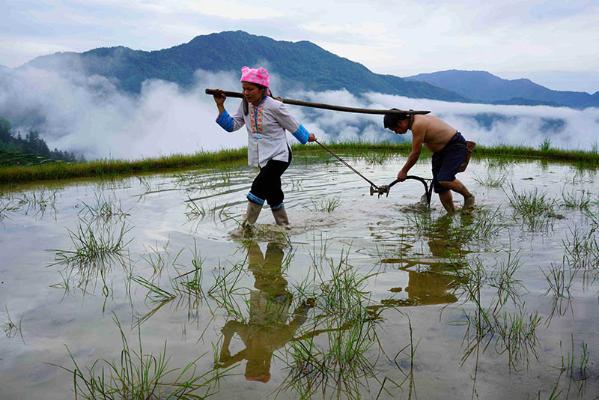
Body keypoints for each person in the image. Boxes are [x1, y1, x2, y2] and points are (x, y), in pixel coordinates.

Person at [212, 66, 316, 232]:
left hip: (279, 156)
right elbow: (232, 125)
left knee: (258, 186)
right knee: (273, 192)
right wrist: (220, 106)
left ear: (262, 89)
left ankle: (245, 229)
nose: (246, 93)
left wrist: (307, 136)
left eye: (250, 89)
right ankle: (284, 227)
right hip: (261, 157)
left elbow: (293, 125)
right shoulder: (245, 105)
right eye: (244, 89)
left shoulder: (275, 106)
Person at [383, 111, 475, 213]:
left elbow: (415, 153)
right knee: (440, 187)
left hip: (454, 147)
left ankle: (468, 197)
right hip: (440, 152)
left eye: (395, 129)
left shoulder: (417, 124)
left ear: (400, 123)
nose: (396, 132)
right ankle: (451, 213)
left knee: (444, 179)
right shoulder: (415, 119)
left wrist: (404, 171)